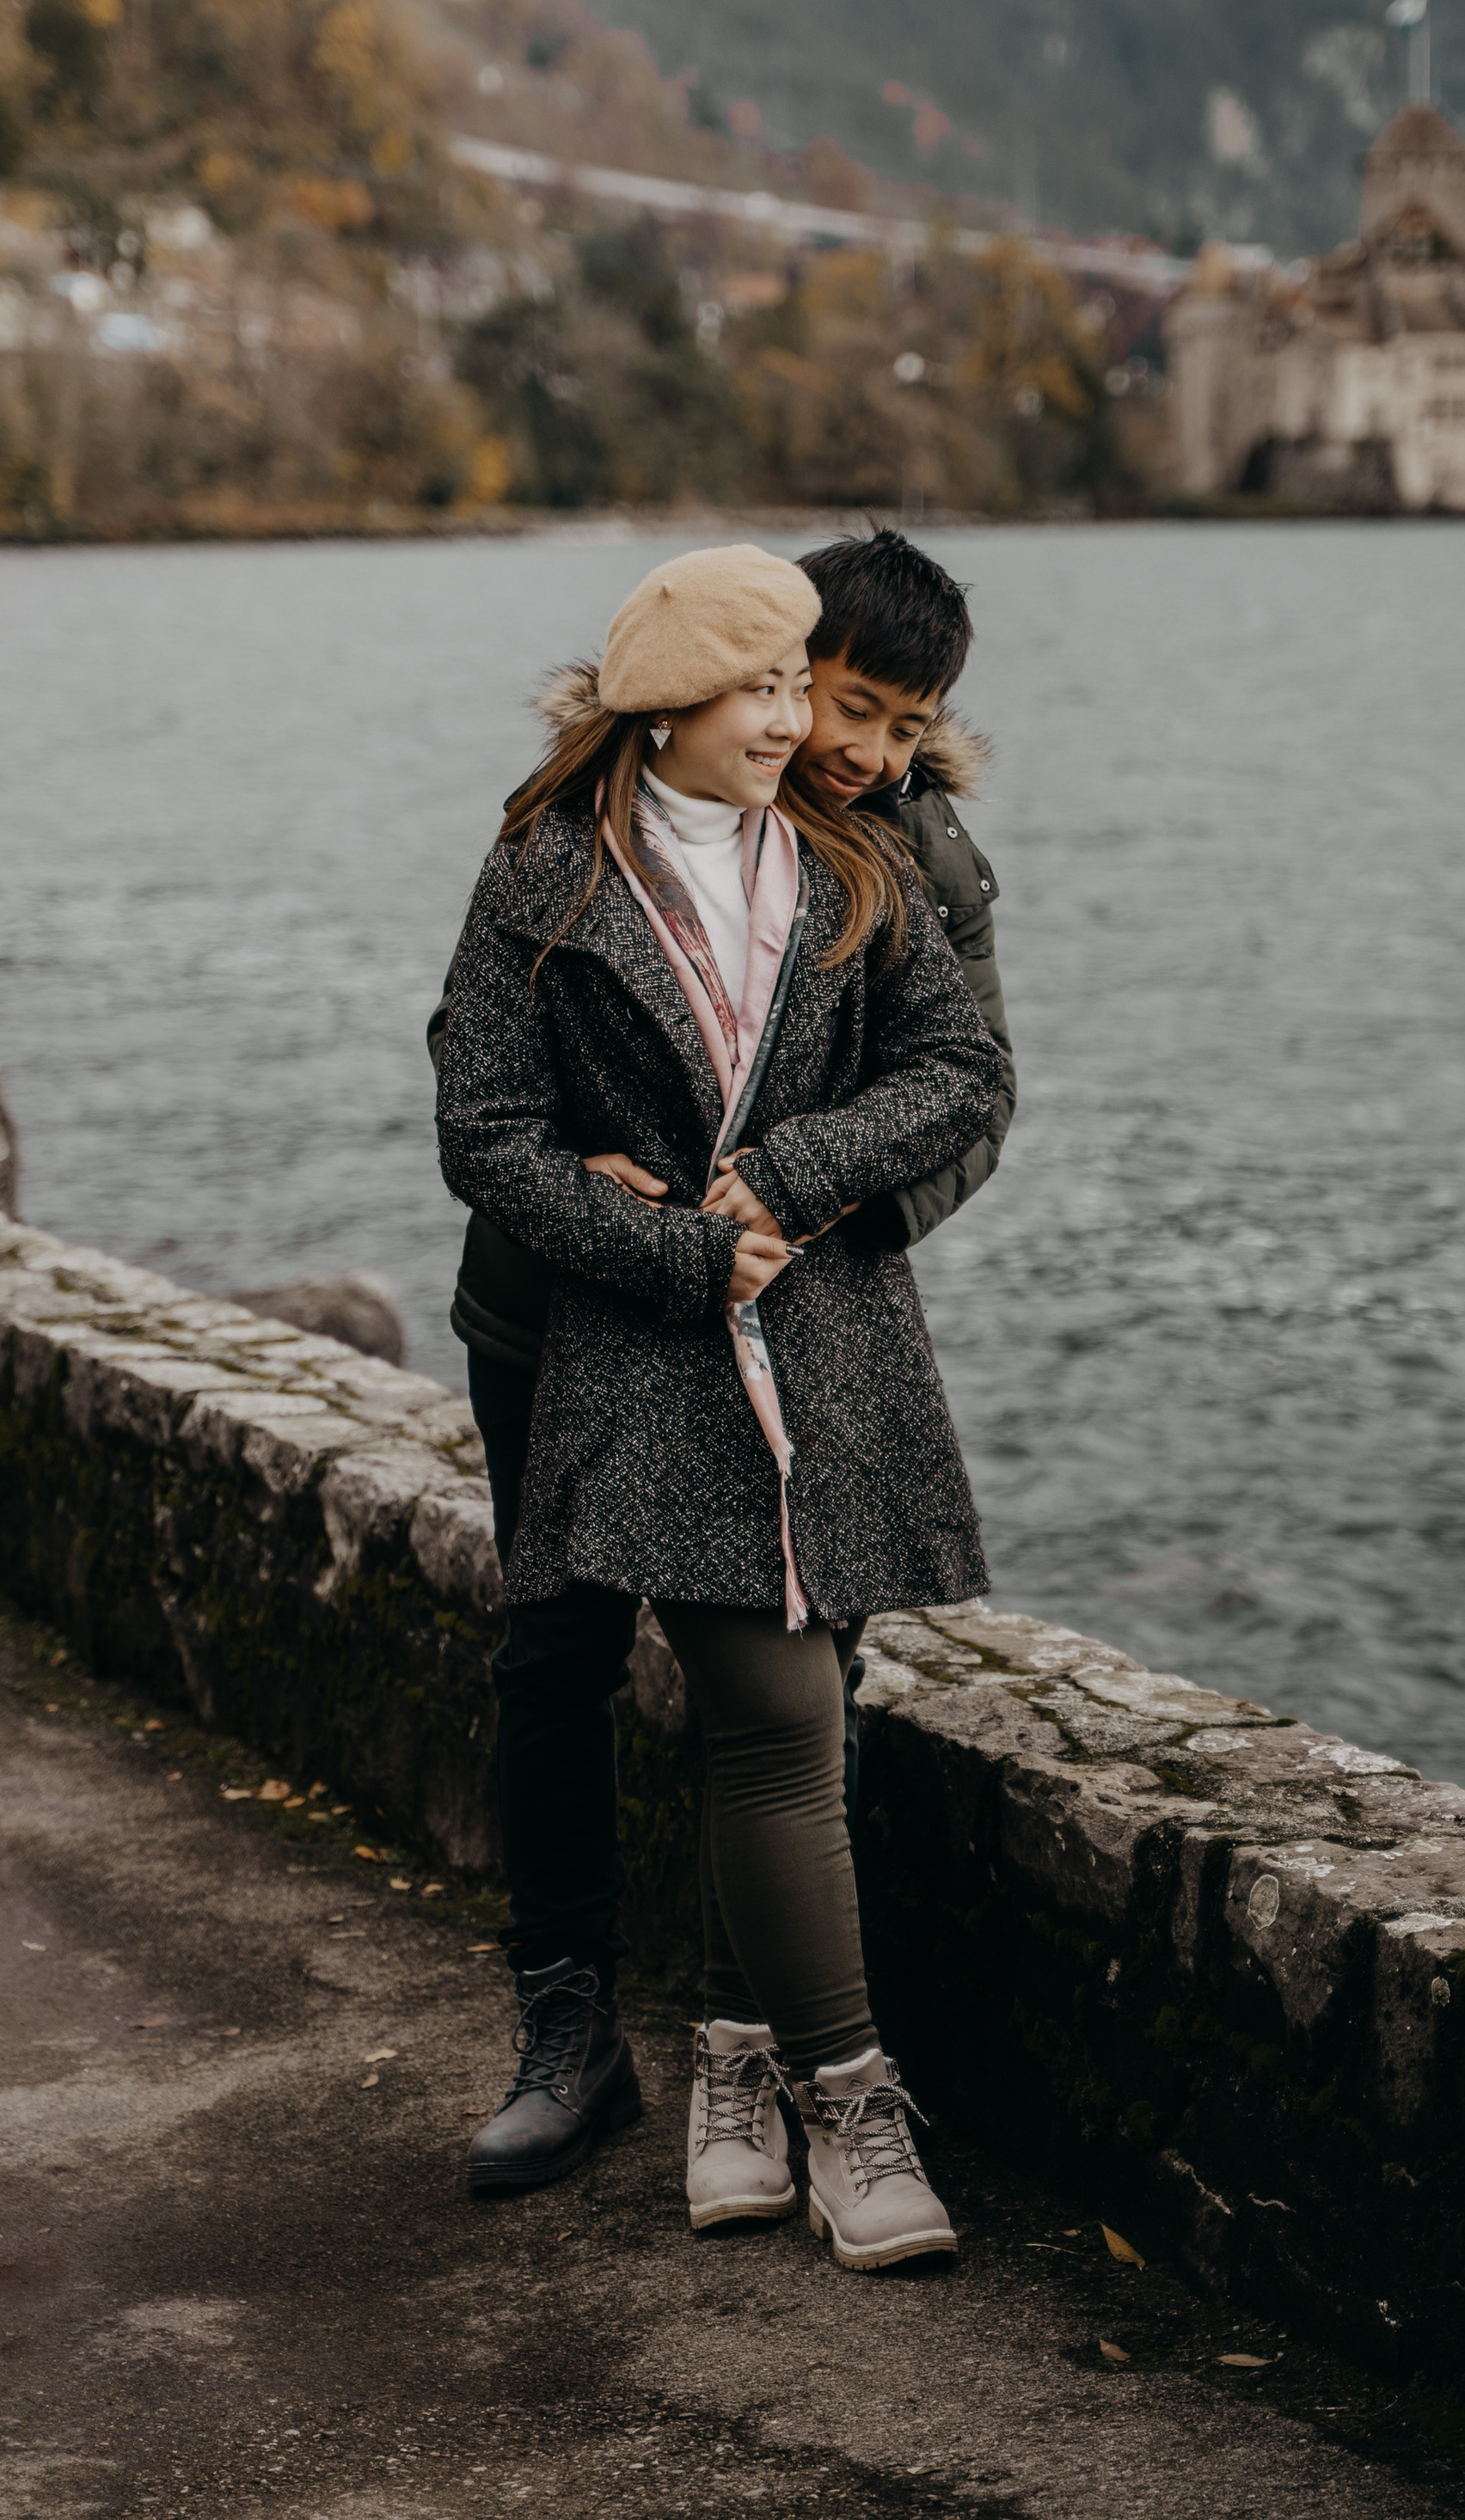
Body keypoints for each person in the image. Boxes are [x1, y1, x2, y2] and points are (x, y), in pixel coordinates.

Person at [435, 542, 1004, 2267]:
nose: (856, 746)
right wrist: (648, 1236)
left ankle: (753, 2060)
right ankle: (580, 2036)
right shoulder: (548, 862)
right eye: (833, 702)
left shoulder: (880, 858)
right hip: (567, 1323)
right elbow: (487, 1120)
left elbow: (967, 1082)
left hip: (782, 1321)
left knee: (785, 1687)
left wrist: (776, 1202)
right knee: (563, 1657)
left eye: (899, 724)